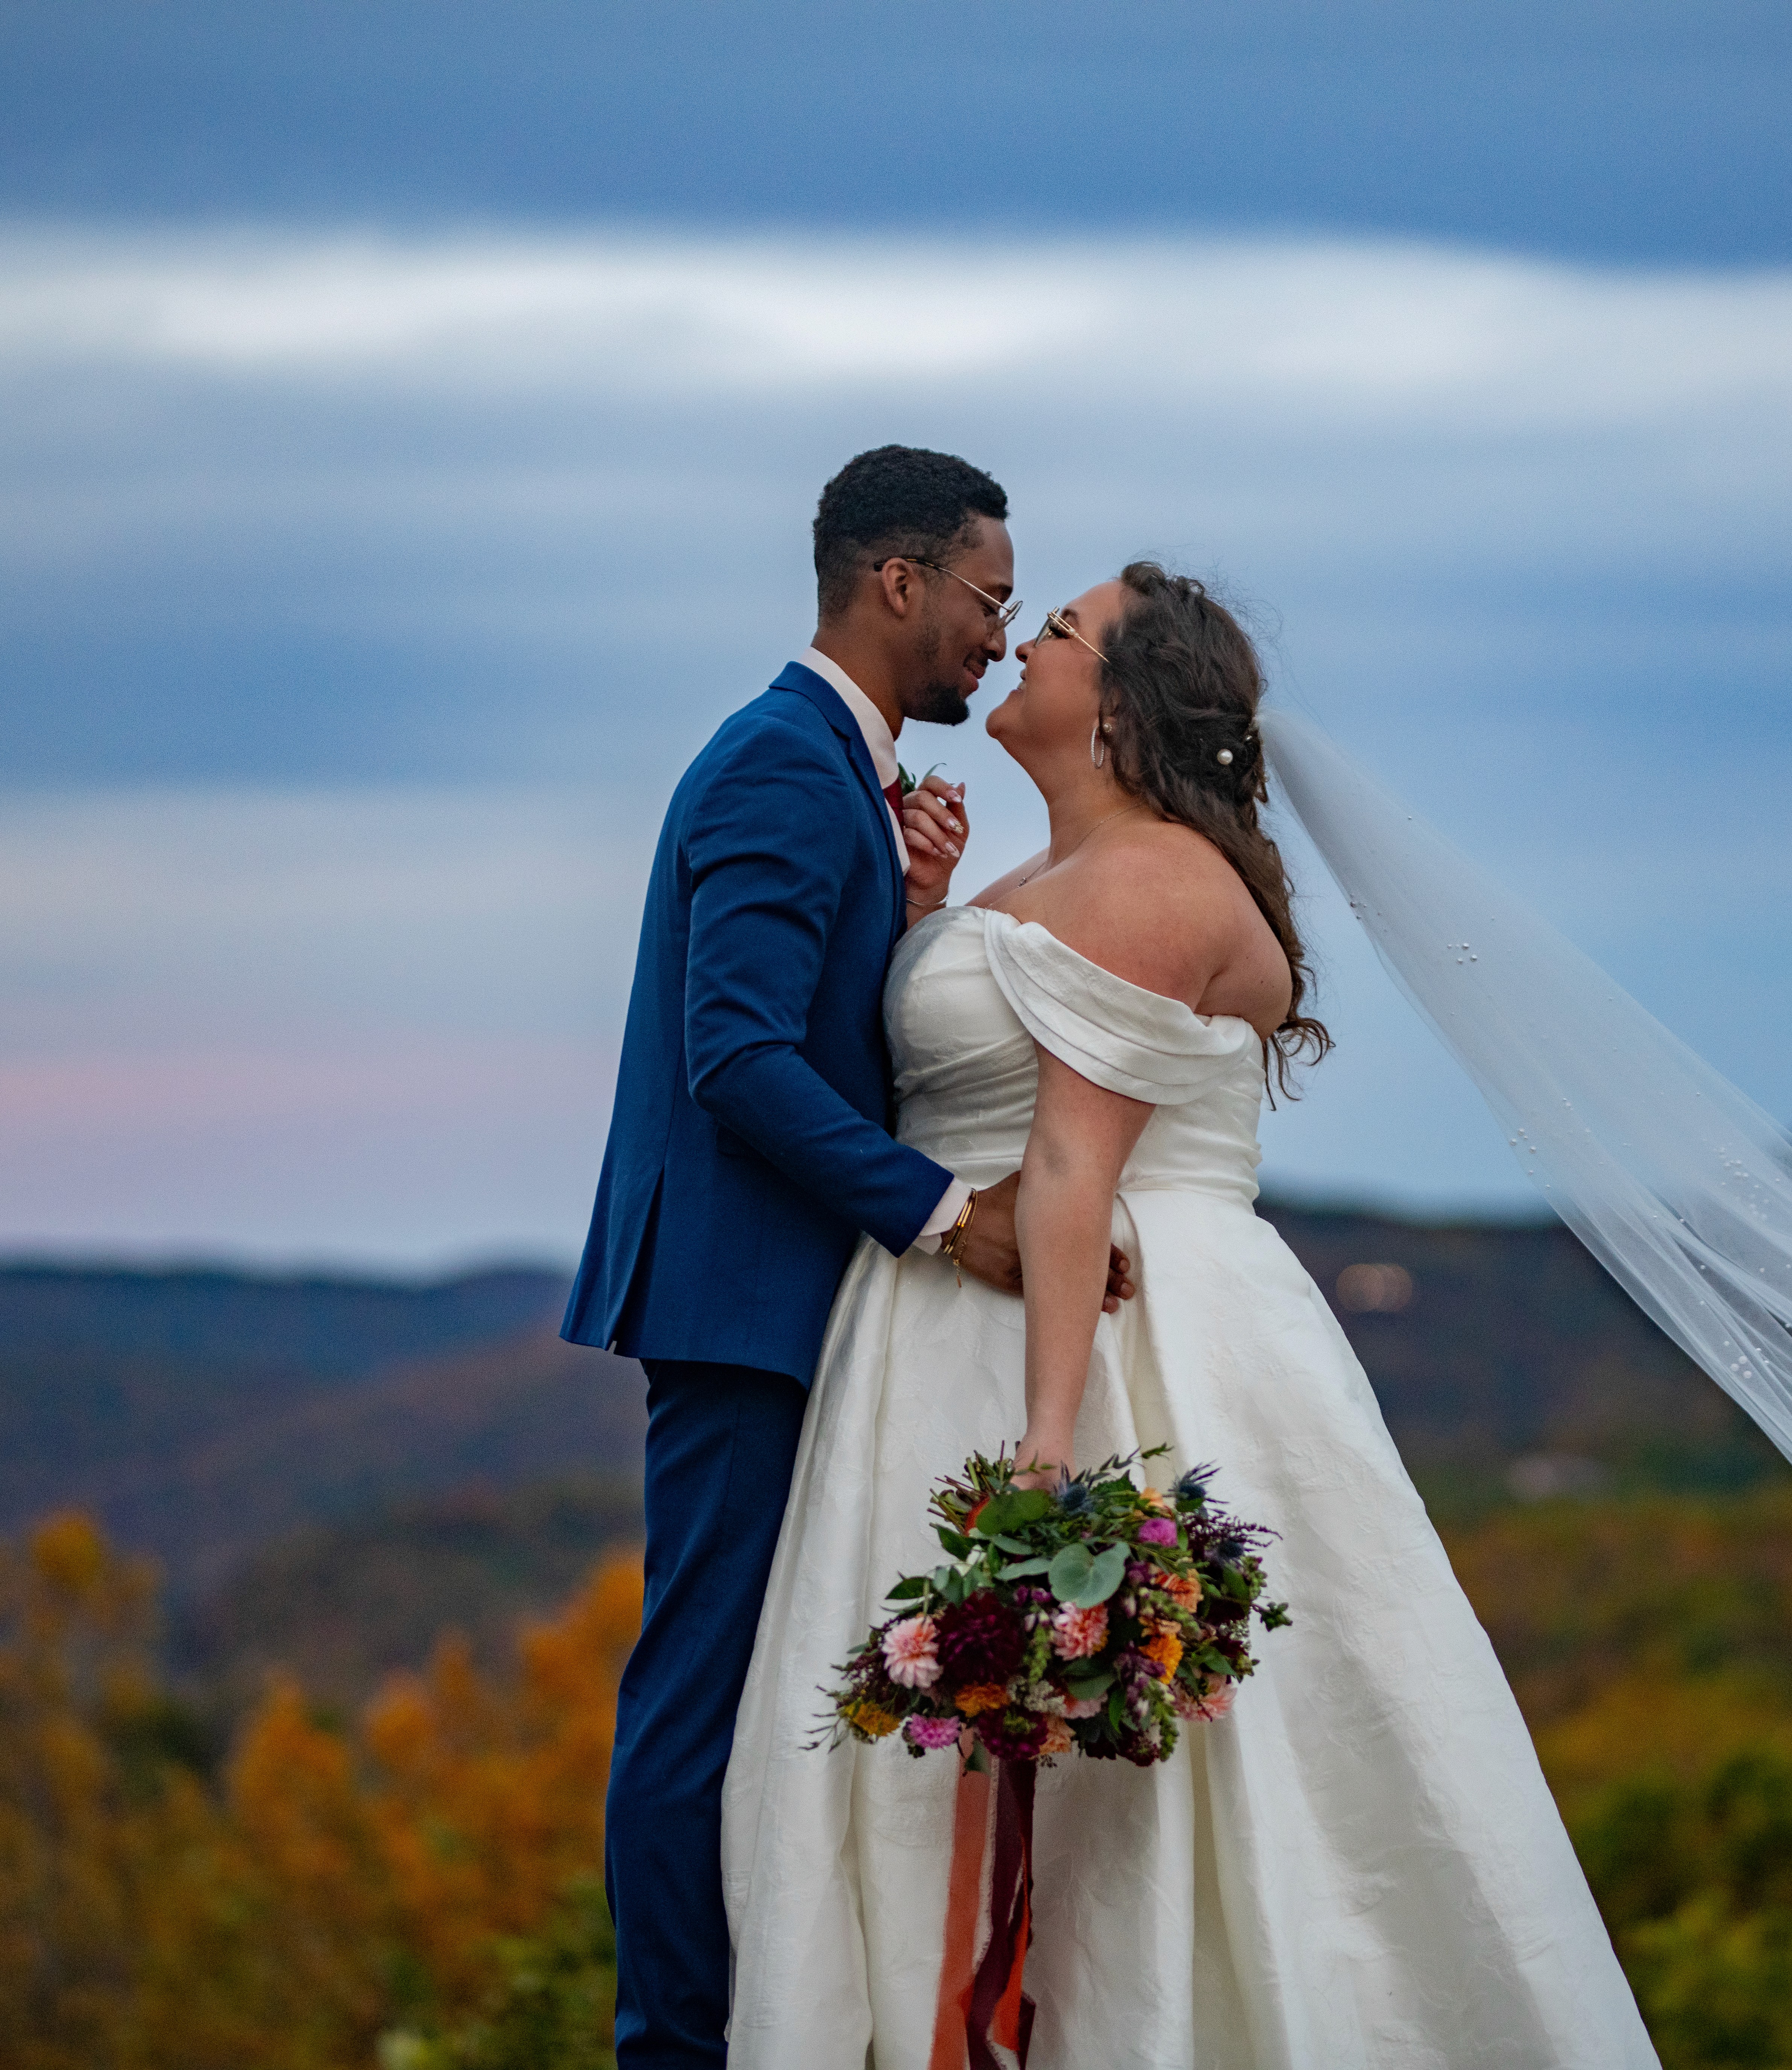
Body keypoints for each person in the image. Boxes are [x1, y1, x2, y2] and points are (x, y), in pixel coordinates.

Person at [719, 565, 1663, 2065]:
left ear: (1130, 702)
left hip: (1117, 1347)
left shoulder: (1158, 881)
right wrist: (921, 915)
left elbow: (1072, 1163)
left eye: (1064, 631)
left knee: (1151, 1786)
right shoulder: (1048, 877)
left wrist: (1044, 1445)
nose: (1026, 642)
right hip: (937, 1328)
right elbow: (975, 1095)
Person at [566, 446, 1128, 2067]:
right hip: (747, 1302)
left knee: (754, 1690)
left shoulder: (838, 776)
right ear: (899, 584)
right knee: (702, 1694)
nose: (993, 636)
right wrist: (951, 1215)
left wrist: (909, 912)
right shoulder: (779, 767)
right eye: (986, 600)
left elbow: (808, 1015)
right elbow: (734, 1057)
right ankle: (669, 2044)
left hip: (800, 1302)